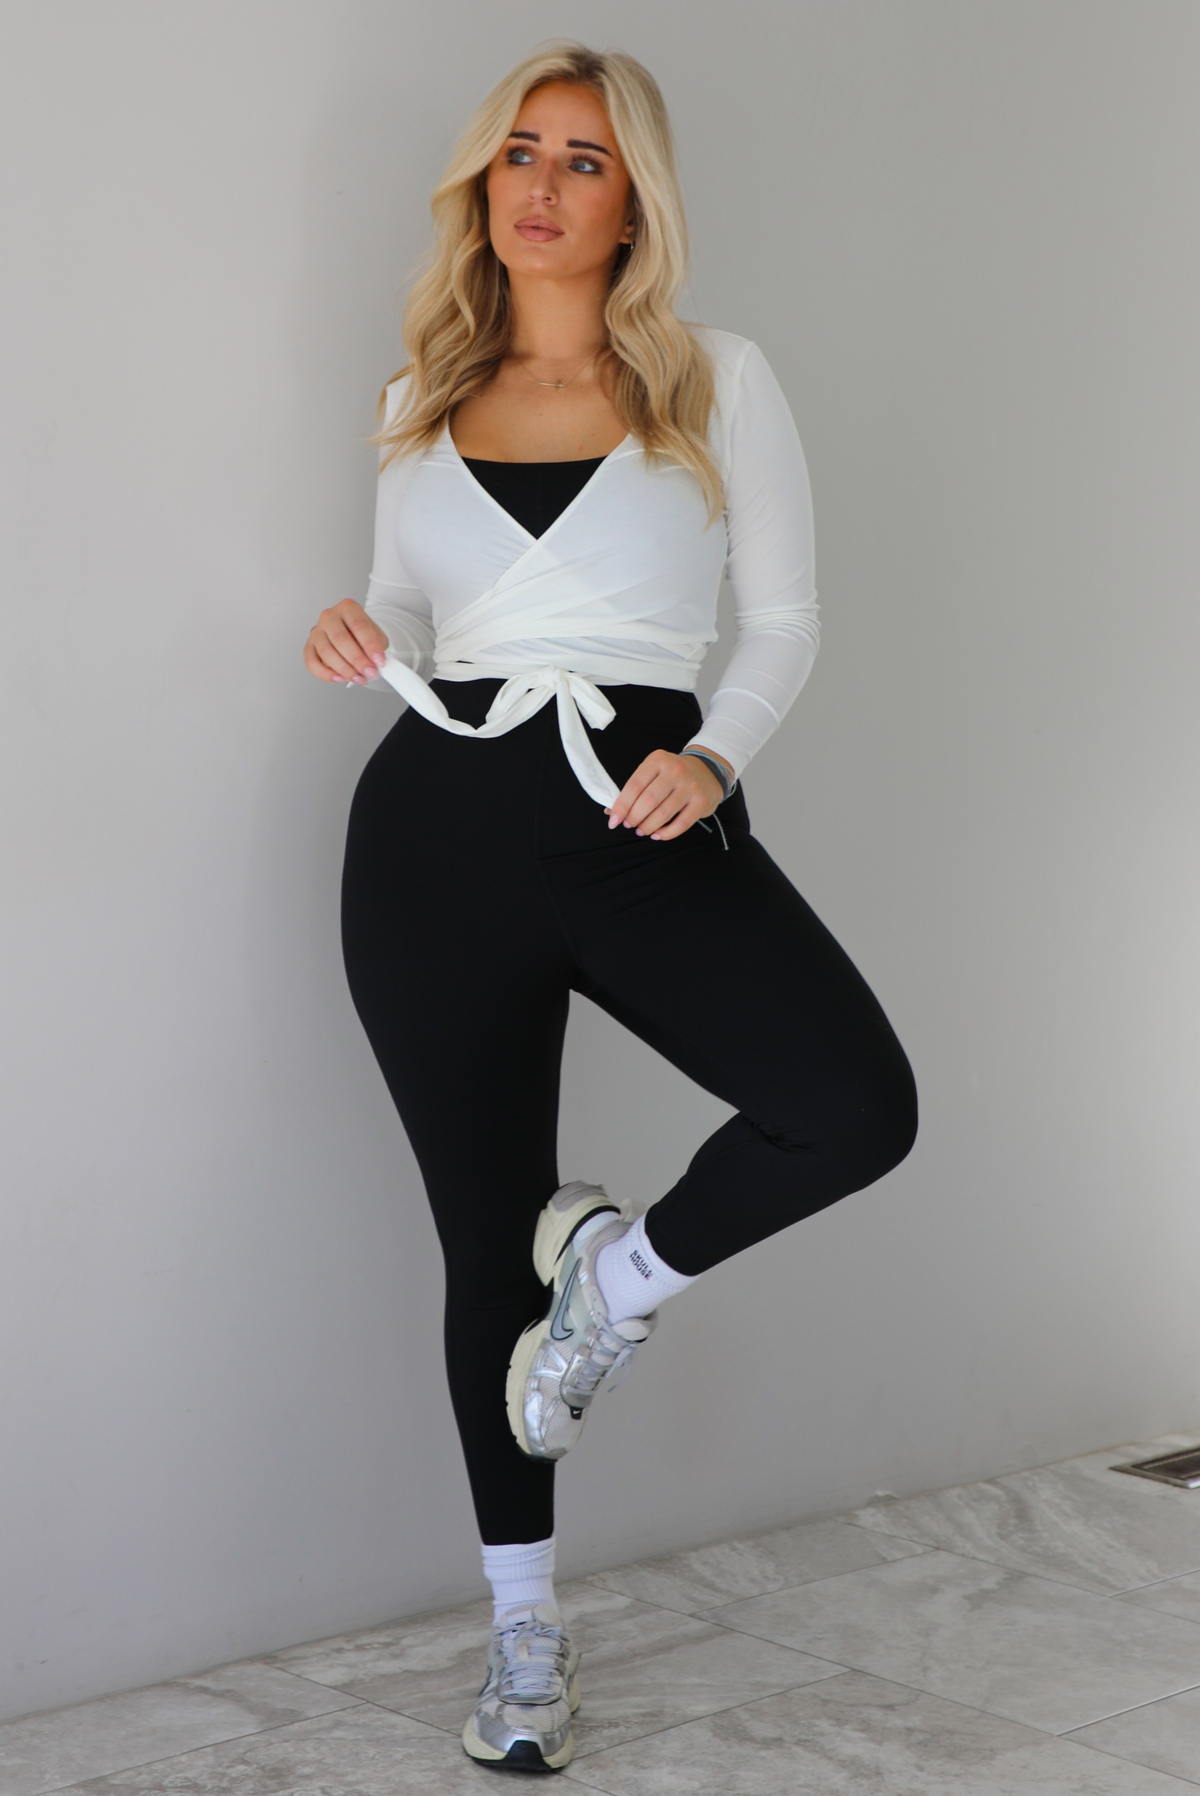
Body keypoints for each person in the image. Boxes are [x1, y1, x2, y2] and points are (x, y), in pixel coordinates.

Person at [304, 41, 917, 1774]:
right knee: (475, 1236)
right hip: (430, 833)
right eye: (520, 153)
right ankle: (521, 1642)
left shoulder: (716, 377)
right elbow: (396, 604)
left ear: (630, 195)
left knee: (851, 1106)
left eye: (583, 158)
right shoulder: (419, 390)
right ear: (482, 188)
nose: (544, 185)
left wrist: (713, 759)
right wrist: (362, 643)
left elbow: (781, 621)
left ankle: (617, 1284)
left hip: (641, 805)